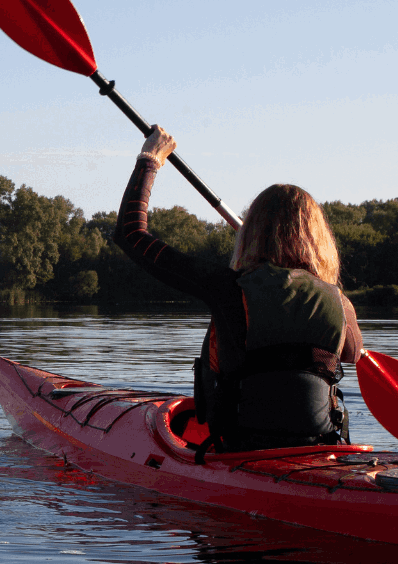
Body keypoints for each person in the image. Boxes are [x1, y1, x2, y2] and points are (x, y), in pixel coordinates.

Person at [116, 126, 363, 453]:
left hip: (240, 450)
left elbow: (131, 234)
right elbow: (353, 355)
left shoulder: (227, 287)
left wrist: (149, 160)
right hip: (320, 450)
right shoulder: (340, 303)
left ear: (251, 234)